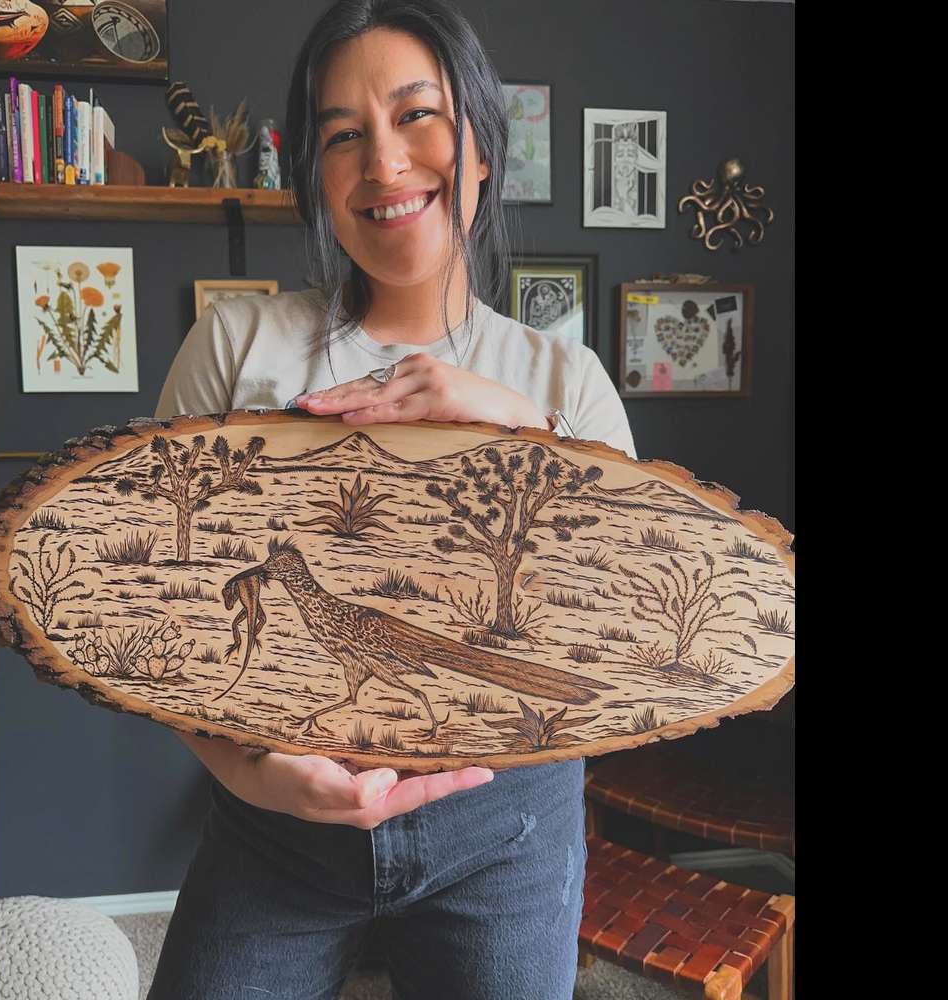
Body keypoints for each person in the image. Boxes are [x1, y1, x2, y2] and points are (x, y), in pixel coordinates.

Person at [147, 2, 636, 997]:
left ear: (482, 148)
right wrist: (243, 768)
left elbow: (623, 606)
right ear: (315, 180)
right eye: (341, 135)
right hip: (274, 828)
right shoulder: (236, 348)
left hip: (507, 826)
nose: (384, 162)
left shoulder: (563, 379)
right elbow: (159, 614)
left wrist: (509, 422)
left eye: (417, 114)